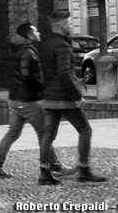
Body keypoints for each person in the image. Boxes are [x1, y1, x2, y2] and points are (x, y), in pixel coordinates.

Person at [40, 9, 107, 184]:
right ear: (62, 26)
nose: (72, 26)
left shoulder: (45, 44)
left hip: (48, 97)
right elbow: (64, 72)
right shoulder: (62, 46)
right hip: (64, 97)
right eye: (69, 23)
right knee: (85, 130)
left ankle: (44, 173)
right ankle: (84, 170)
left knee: (48, 135)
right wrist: (77, 96)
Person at [0, 22, 53, 178]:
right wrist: (41, 88)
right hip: (27, 100)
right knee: (44, 133)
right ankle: (55, 166)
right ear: (30, 35)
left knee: (13, 133)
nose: (39, 33)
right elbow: (27, 76)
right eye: (36, 31)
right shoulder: (28, 52)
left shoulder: (15, 49)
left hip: (14, 98)